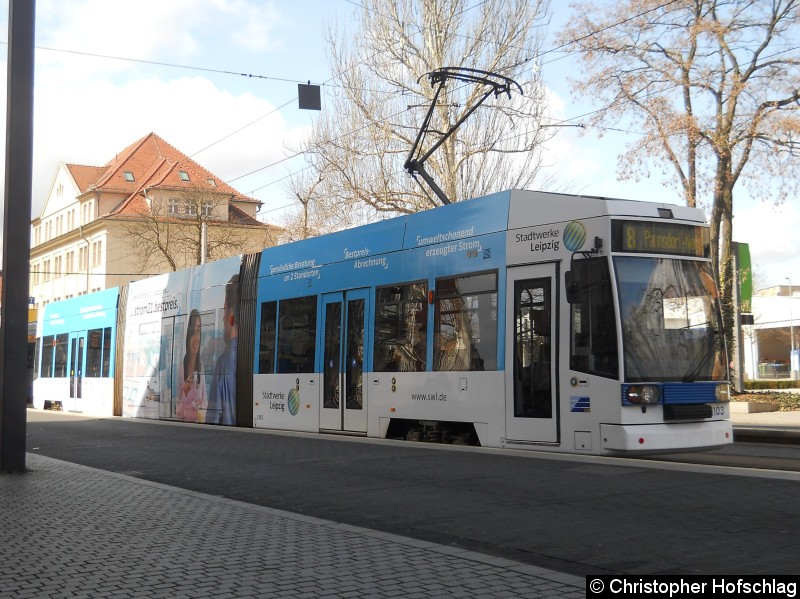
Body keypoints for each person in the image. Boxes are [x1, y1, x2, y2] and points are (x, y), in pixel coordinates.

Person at [207, 275, 238, 425]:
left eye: (224, 310)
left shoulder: (223, 362)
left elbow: (213, 416)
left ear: (230, 315)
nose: (223, 319)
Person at [176, 310, 207, 423]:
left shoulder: (201, 367)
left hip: (198, 424)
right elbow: (177, 409)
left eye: (198, 332)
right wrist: (185, 390)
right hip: (184, 425)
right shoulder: (181, 367)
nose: (196, 338)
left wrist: (201, 405)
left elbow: (205, 402)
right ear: (188, 337)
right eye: (193, 332)